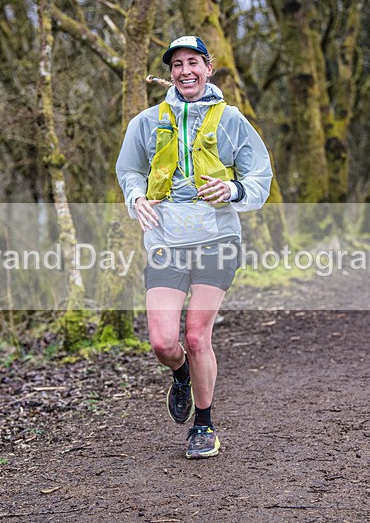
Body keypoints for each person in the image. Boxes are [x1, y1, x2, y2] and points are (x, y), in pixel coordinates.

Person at [116, 35, 272, 459]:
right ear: (170, 74)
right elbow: (129, 170)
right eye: (177, 65)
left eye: (193, 63)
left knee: (197, 335)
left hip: (217, 239)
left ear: (208, 68)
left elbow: (260, 176)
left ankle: (203, 426)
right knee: (164, 343)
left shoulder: (232, 120)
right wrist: (137, 198)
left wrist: (235, 189)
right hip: (165, 241)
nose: (185, 71)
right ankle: (181, 374)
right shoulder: (146, 122)